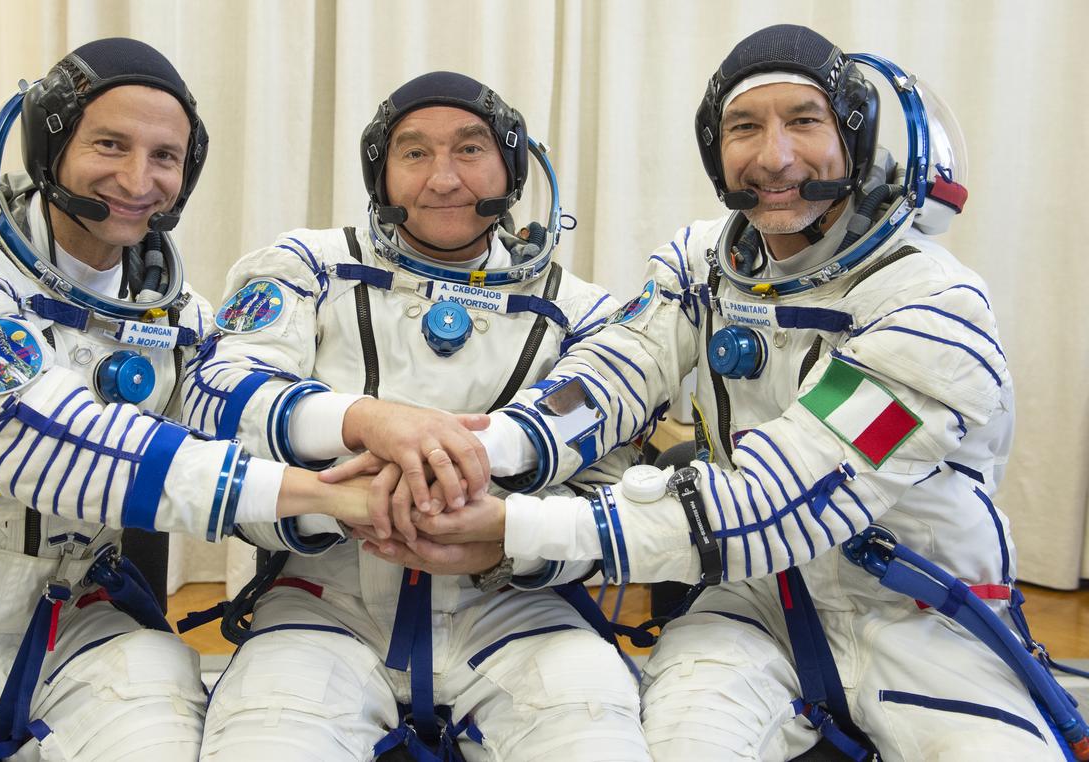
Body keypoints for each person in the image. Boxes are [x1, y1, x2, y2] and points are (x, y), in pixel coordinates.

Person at [341, 25, 1084, 761]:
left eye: (804, 121)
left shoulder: (934, 308)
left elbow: (782, 499)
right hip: (753, 604)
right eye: (744, 127)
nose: (774, 156)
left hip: (922, 617)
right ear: (714, 149)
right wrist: (480, 448)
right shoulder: (700, 265)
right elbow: (607, 380)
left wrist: (515, 528)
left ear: (853, 139)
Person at [0, 38, 369, 760]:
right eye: (110, 144)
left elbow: (240, 446)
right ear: (50, 147)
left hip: (77, 624)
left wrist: (358, 484)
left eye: (165, 157)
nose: (138, 179)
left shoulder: (180, 318)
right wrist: (329, 494)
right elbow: (50, 444)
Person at [184, 72, 650, 761]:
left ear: (511, 167)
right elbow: (217, 399)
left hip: (514, 605)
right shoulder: (308, 268)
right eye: (414, 153)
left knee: (596, 740)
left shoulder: (583, 313)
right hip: (325, 597)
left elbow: (610, 491)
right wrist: (358, 439)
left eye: (470, 149)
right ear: (380, 172)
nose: (443, 179)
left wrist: (507, 540)